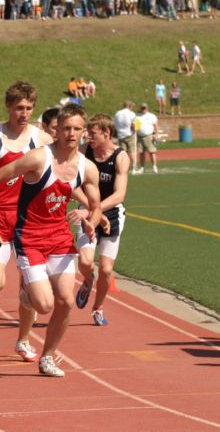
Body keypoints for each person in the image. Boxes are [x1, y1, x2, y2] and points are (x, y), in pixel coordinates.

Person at [0, 104, 101, 377]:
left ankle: (48, 357)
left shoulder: (86, 167)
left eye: (77, 129)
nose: (71, 133)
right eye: (66, 128)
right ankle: (27, 295)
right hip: (30, 238)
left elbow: (95, 203)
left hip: (59, 238)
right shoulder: (38, 158)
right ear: (57, 130)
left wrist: (91, 219)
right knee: (44, 305)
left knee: (65, 301)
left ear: (84, 132)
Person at [0, 81, 54, 363]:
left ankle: (24, 340)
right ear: (8, 106)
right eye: (19, 108)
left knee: (29, 290)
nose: (24, 113)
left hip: (29, 222)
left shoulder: (41, 140)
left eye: (29, 108)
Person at [74, 113, 130, 327]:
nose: (88, 137)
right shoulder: (83, 153)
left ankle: (97, 307)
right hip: (87, 210)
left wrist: (100, 211)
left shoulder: (120, 157)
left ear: (107, 133)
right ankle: (88, 280)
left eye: (93, 133)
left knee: (106, 269)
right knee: (86, 262)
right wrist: (92, 210)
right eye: (87, 133)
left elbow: (120, 194)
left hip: (113, 213)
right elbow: (72, 185)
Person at [134, 103, 159, 174]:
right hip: (140, 136)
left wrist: (156, 135)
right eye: (142, 108)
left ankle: (154, 167)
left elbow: (156, 125)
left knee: (152, 152)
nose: (143, 109)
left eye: (144, 108)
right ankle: (142, 168)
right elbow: (137, 127)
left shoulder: (151, 116)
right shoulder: (137, 116)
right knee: (141, 153)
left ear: (147, 108)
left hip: (149, 136)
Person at [113, 101, 137, 173]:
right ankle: (134, 167)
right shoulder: (131, 113)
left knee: (123, 153)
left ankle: (124, 167)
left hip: (120, 134)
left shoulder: (117, 113)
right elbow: (133, 125)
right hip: (130, 134)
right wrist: (135, 130)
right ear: (129, 106)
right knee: (133, 151)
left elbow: (115, 124)